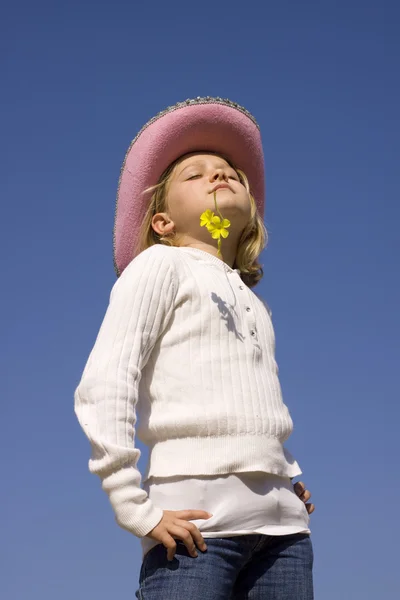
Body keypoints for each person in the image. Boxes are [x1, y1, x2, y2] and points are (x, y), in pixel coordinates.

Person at [74, 97, 315, 599]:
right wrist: (132, 505)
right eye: (196, 174)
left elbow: (255, 398)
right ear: (162, 222)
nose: (218, 175)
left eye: (230, 171)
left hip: (286, 533)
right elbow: (107, 381)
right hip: (196, 528)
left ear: (248, 212)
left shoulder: (254, 302)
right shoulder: (160, 265)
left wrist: (285, 470)